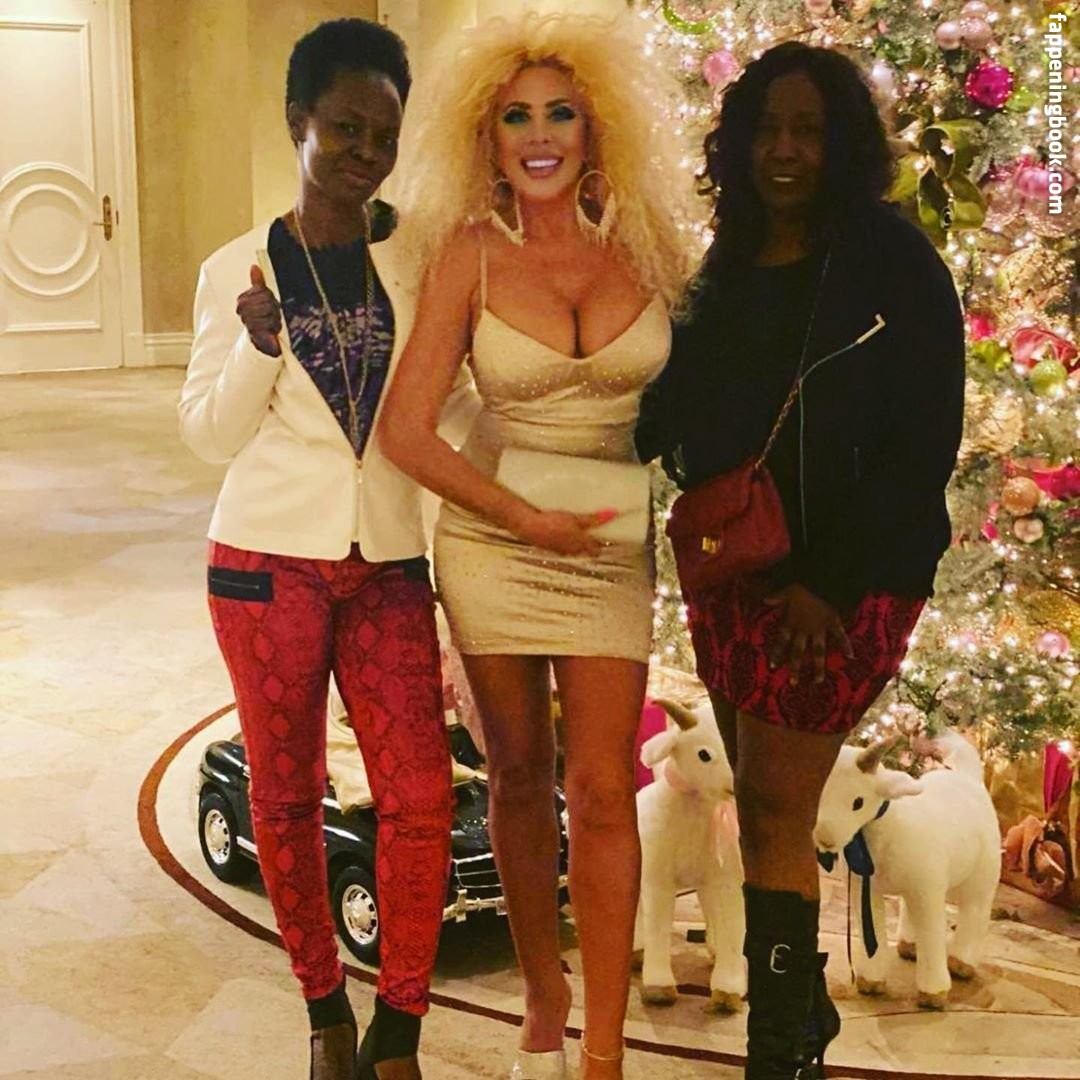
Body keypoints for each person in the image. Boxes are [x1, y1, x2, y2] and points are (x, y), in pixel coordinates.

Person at [636, 41, 965, 1080]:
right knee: (759, 794)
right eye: (766, 129)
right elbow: (684, 403)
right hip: (740, 566)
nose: (784, 150)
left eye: (808, 130)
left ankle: (779, 1046)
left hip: (846, 579)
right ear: (738, 142)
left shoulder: (891, 264)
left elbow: (926, 438)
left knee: (779, 802)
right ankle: (798, 1020)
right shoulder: (729, 258)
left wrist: (831, 579)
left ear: (843, 144)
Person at [377, 14, 690, 1080]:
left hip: (606, 546)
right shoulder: (468, 253)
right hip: (493, 539)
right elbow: (407, 429)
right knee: (518, 775)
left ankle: (604, 1047)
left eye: (562, 114)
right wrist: (522, 520)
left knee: (602, 789)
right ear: (488, 136)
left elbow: (710, 387)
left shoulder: (650, 245)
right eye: (517, 118)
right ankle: (544, 1003)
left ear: (599, 130)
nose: (540, 136)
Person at [178, 19, 478, 1080]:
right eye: (346, 127)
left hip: (388, 561)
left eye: (385, 134)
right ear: (298, 121)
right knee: (285, 794)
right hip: (264, 565)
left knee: (420, 797)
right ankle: (323, 1014)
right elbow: (206, 435)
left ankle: (400, 1029)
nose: (366, 152)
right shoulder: (236, 267)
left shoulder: (422, 252)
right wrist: (260, 346)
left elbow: (457, 396)